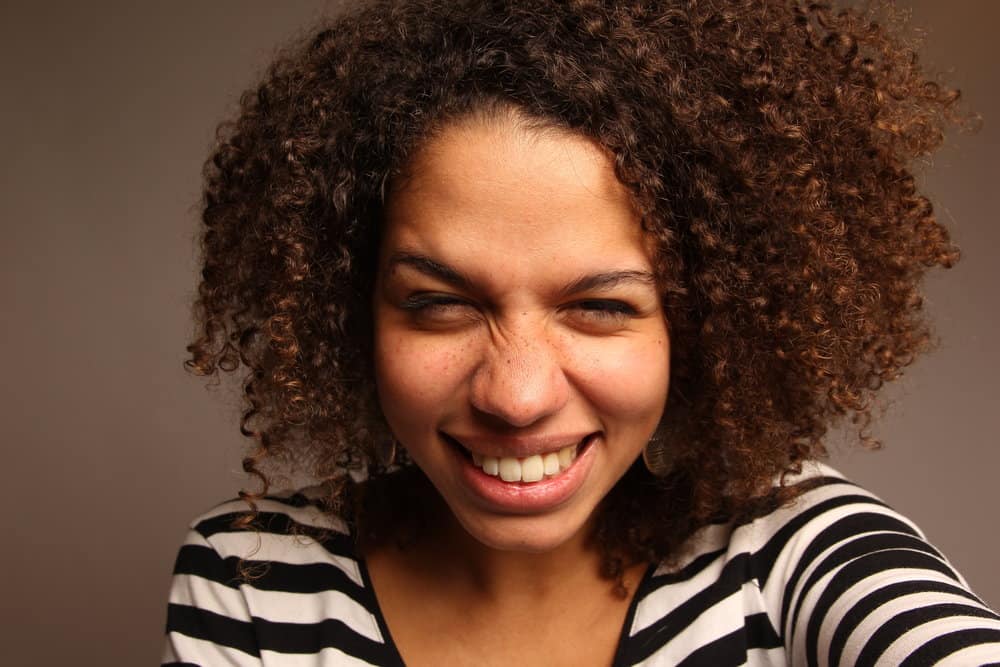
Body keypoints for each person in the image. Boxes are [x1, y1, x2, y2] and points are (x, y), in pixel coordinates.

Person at [163, 0, 1000, 665]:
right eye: (439, 302)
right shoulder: (253, 580)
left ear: (699, 324)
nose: (517, 396)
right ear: (351, 312)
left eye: (600, 308)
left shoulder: (790, 546)